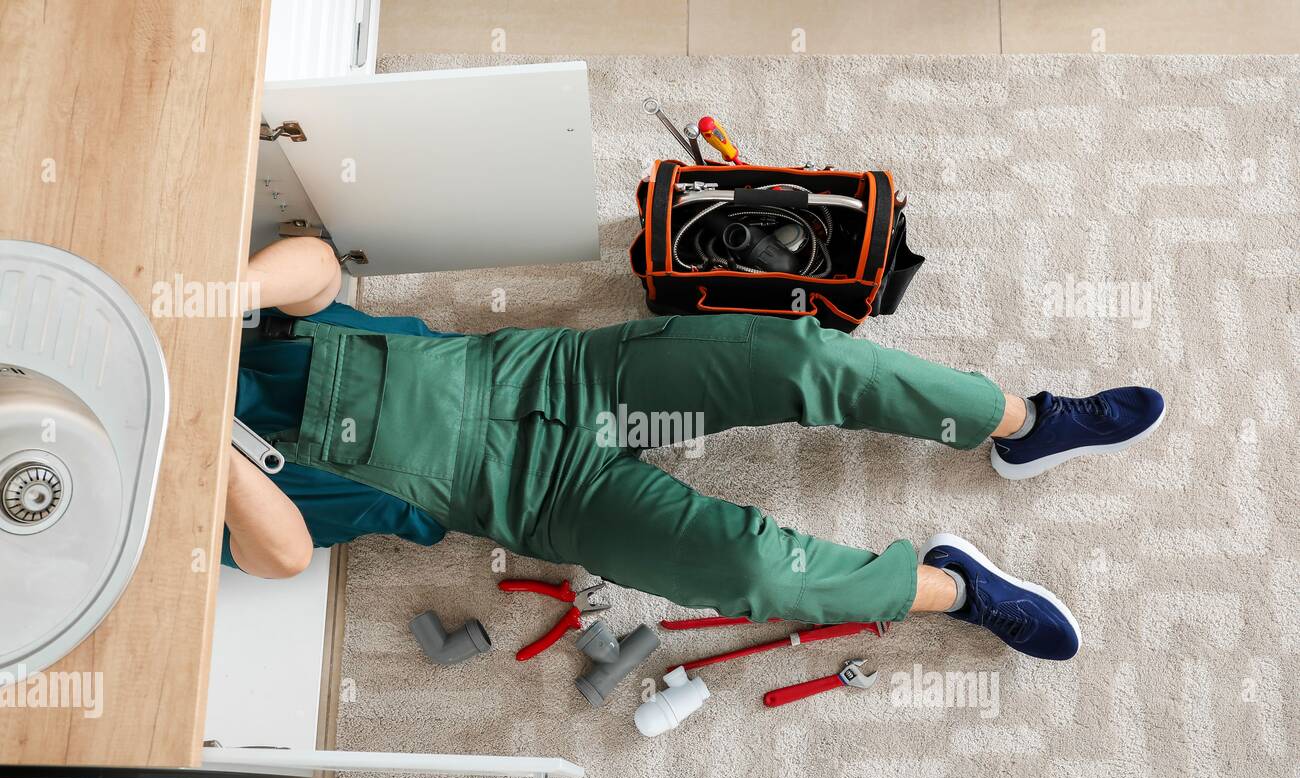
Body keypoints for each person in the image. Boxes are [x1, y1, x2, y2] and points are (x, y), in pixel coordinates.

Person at [224, 238, 1166, 661]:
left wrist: (231, 289)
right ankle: (955, 587)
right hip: (552, 501)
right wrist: (210, 449)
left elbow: (313, 263)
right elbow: (285, 555)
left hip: (576, 379)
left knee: (798, 358)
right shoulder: (220, 493)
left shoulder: (233, 330)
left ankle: (1025, 426)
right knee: (757, 571)